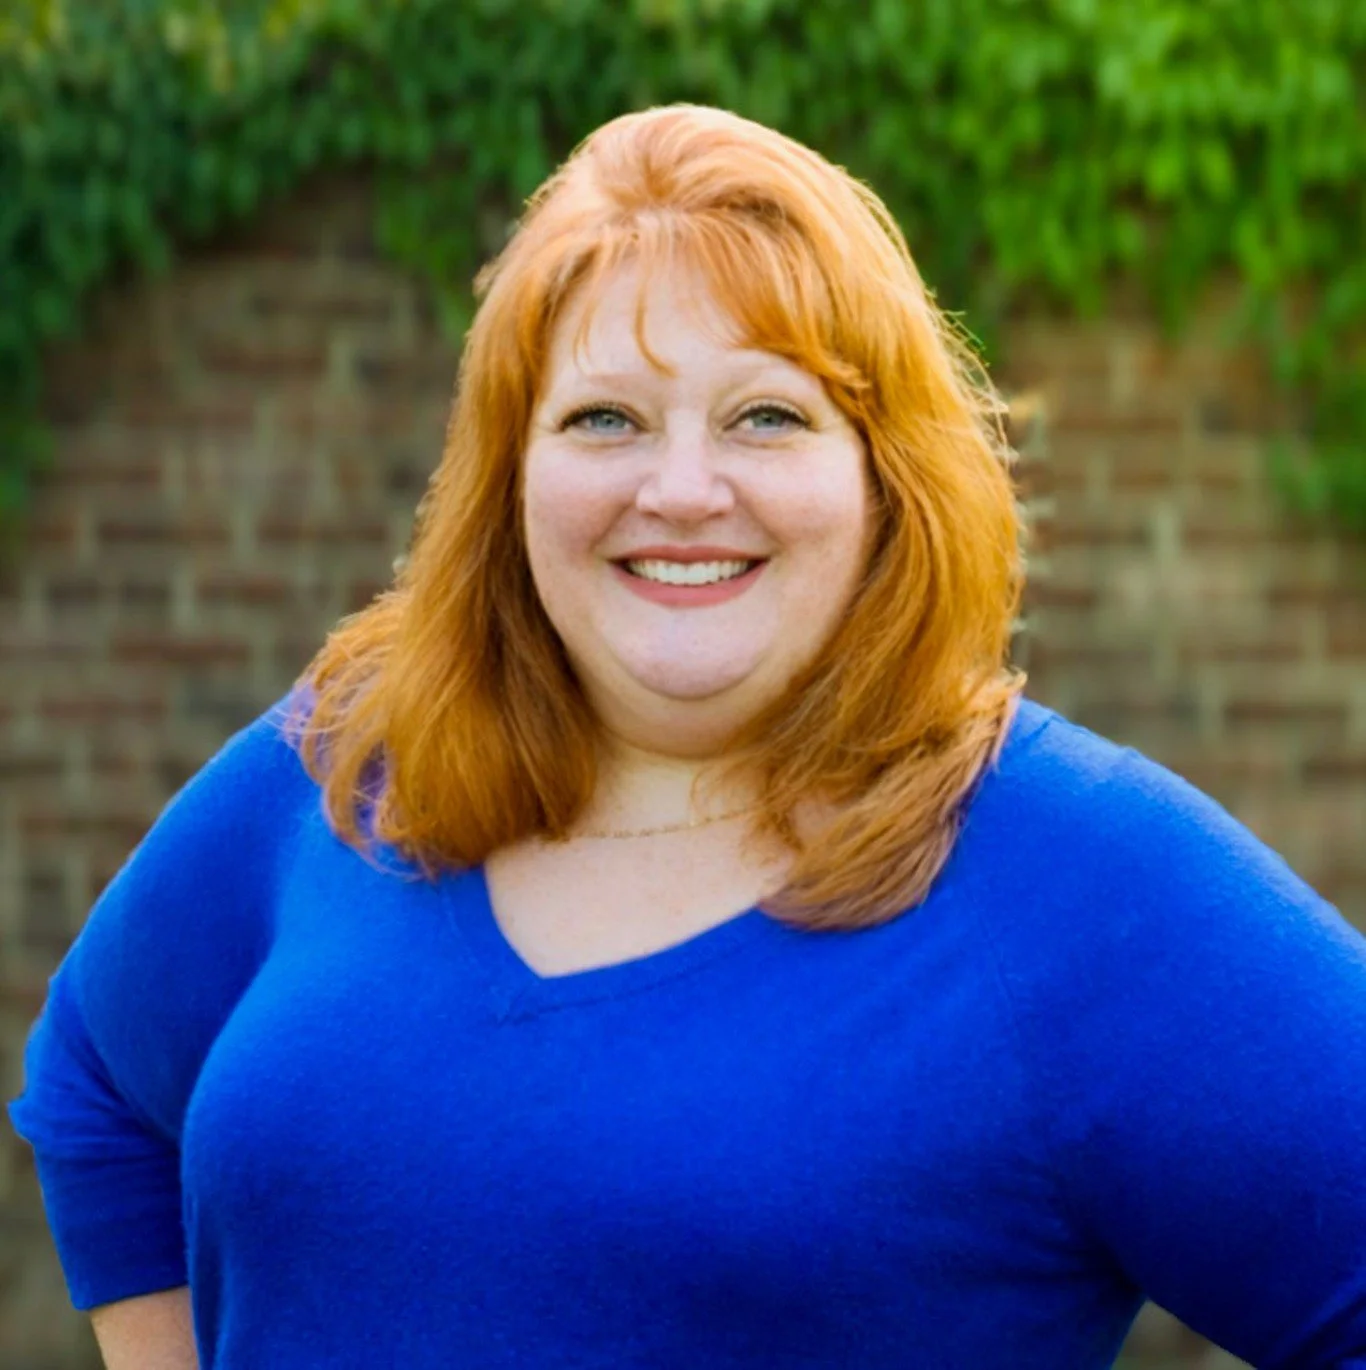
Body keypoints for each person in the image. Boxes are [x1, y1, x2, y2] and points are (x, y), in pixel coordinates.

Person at [9, 103, 1366, 1370]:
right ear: (512, 472)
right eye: (603, 418)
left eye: (766, 416)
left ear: (882, 477)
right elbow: (96, 1081)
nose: (680, 490)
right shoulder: (352, 758)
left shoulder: (1081, 876)